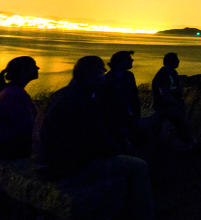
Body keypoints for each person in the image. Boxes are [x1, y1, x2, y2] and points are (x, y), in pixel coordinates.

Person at [33, 56, 154, 220]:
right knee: (139, 166)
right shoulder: (83, 102)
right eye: (101, 70)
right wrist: (120, 147)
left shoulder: (64, 94)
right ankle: (143, 215)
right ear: (92, 75)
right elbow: (98, 143)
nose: (104, 73)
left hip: (46, 162)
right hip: (62, 169)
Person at [0, 56, 40, 159]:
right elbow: (27, 127)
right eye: (33, 66)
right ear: (24, 71)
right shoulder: (16, 94)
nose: (38, 68)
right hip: (0, 148)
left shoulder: (11, 90)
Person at [151, 52, 196, 150]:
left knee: (179, 125)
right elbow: (164, 92)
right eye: (176, 59)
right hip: (165, 107)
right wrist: (177, 104)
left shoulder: (172, 73)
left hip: (169, 107)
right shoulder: (163, 74)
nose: (179, 61)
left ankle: (188, 145)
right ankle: (190, 145)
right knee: (180, 125)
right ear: (171, 62)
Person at [100, 50, 142, 153]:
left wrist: (136, 116)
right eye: (128, 59)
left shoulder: (129, 76)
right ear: (121, 62)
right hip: (113, 120)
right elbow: (106, 104)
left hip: (127, 117)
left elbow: (134, 97)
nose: (132, 60)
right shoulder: (107, 80)